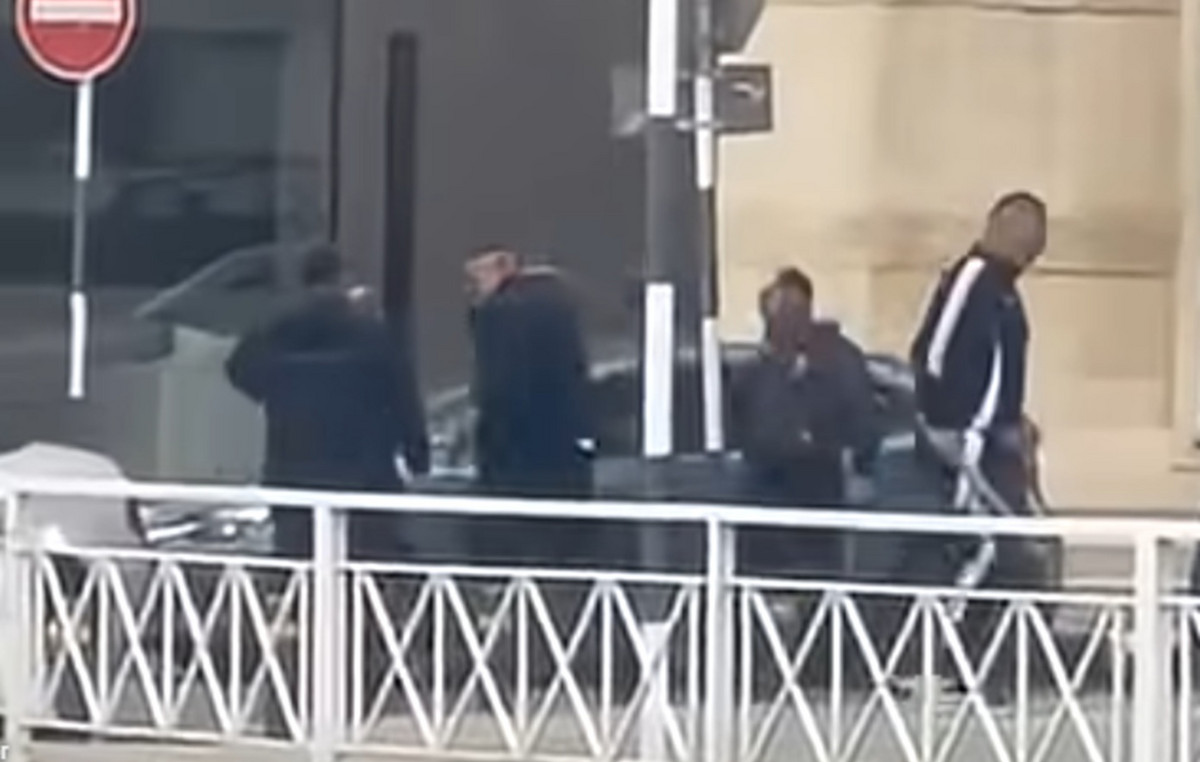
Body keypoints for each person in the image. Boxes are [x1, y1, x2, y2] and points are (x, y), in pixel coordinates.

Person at [908, 191, 1049, 702]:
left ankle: (977, 667)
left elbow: (998, 371)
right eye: (1031, 235)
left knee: (1017, 548)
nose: (1037, 250)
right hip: (968, 442)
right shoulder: (972, 279)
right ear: (1002, 227)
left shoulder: (1006, 293)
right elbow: (933, 354)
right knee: (991, 546)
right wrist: (946, 425)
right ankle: (941, 666)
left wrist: (1015, 420)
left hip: (993, 443)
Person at [226, 244, 429, 560]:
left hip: (293, 469)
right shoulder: (370, 332)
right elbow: (402, 395)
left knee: (300, 563)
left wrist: (277, 395)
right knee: (363, 565)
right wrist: (417, 455)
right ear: (342, 279)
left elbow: (238, 368)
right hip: (364, 472)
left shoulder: (277, 330)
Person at [730, 267, 881, 575]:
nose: (778, 322)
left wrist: (856, 463)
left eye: (788, 311)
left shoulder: (835, 358)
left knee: (817, 574)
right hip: (765, 493)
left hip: (816, 487)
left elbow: (862, 419)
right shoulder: (757, 369)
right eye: (773, 314)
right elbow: (743, 422)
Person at [464, 245, 593, 563]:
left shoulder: (499, 314)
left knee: (512, 545)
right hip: (561, 452)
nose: (472, 287)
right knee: (558, 549)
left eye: (477, 277)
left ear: (501, 269)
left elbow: (498, 386)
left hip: (514, 454)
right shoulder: (559, 307)